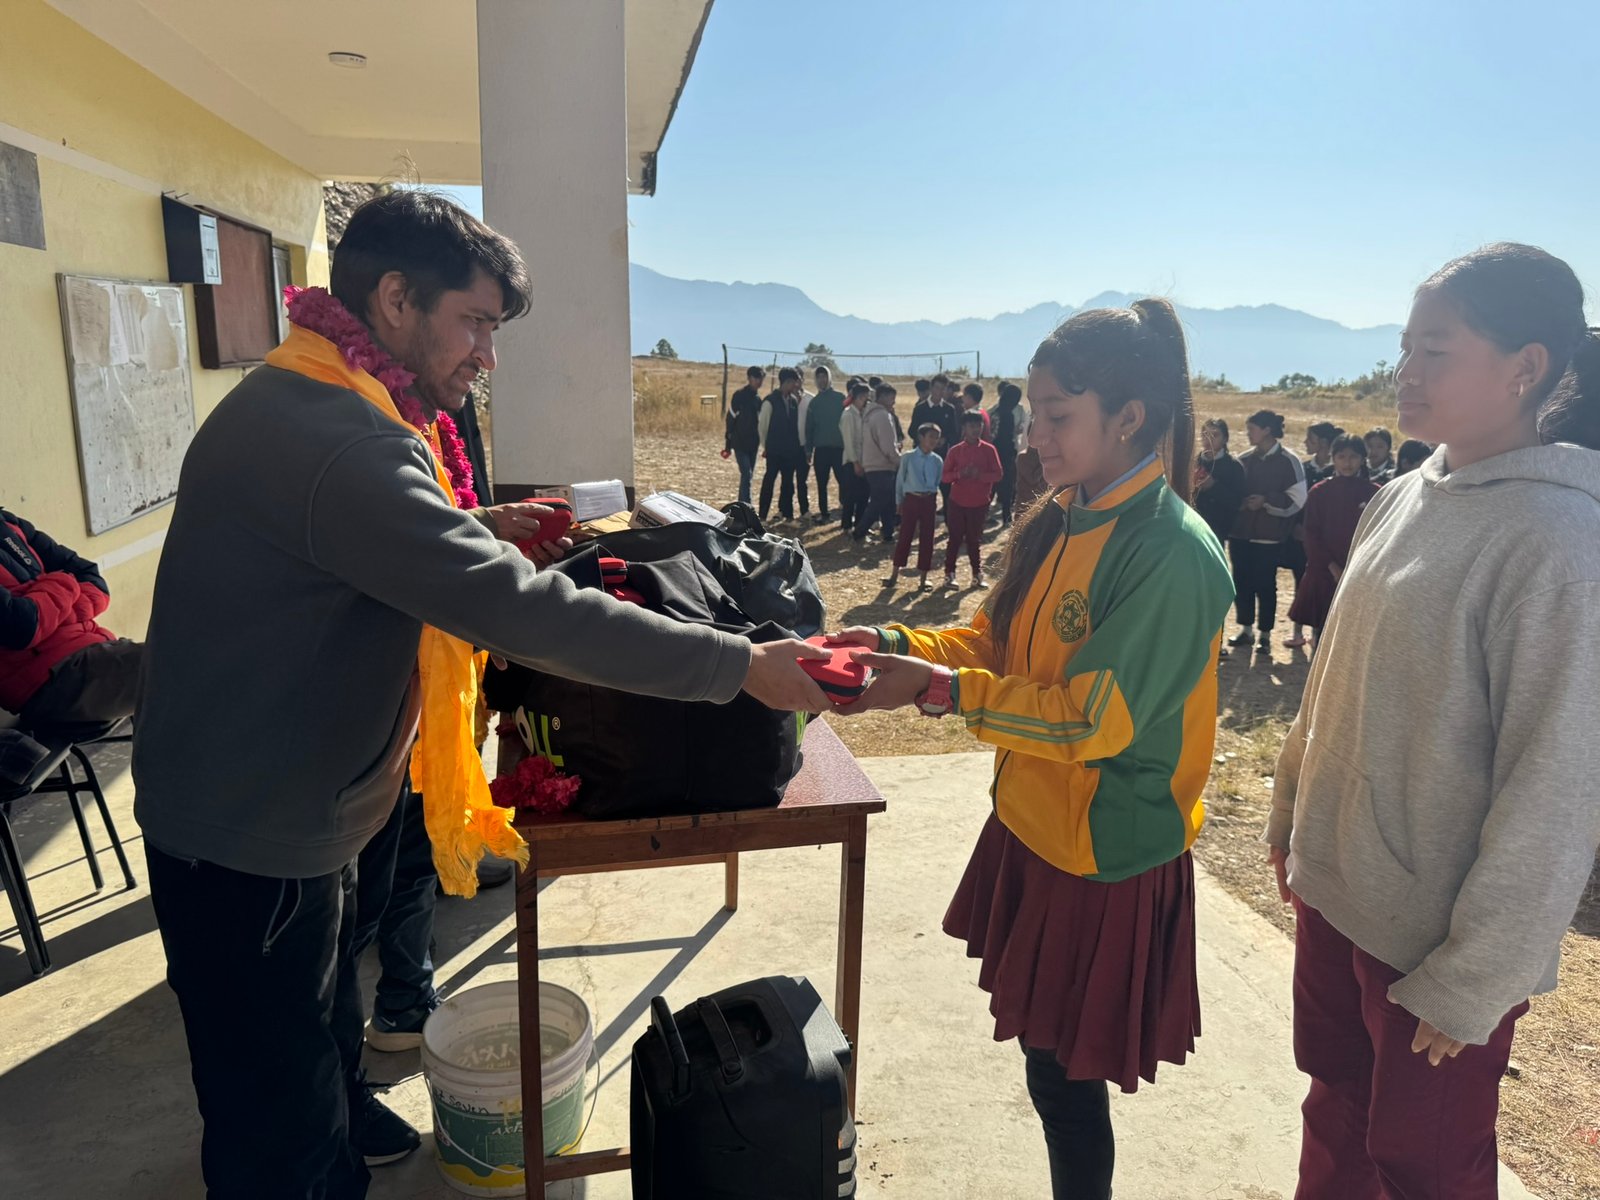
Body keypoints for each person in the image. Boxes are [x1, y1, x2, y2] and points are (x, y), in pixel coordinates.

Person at [131, 190, 830, 1199]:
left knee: (313, 1041)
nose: (485, 355)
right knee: (269, 1123)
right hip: (251, 835)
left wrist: (481, 531)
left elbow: (361, 556)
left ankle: (332, 1130)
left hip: (278, 813)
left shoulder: (314, 395)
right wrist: (737, 666)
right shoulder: (346, 442)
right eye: (475, 323)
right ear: (395, 298)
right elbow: (526, 615)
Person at [828, 298, 1234, 1200]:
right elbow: (993, 645)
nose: (1035, 436)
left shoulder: (1172, 554)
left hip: (1102, 849)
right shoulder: (1064, 516)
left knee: (1065, 1082)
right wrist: (893, 648)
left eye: (1058, 417)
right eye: (1032, 413)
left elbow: (1091, 723)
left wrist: (936, 692)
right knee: (1049, 1070)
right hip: (1034, 822)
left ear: (1128, 418)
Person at [1267, 242, 1600, 1200]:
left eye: (1435, 352)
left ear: (1526, 368)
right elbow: (1334, 679)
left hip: (1435, 947)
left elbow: (1559, 784)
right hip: (1339, 895)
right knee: (1334, 1116)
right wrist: (1293, 820)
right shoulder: (1402, 495)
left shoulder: (1560, 541)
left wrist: (1478, 975)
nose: (1402, 374)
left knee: (1425, 1169)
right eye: (1402, 348)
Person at [0, 509, 142, 730]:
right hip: (50, 682)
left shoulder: (8, 523)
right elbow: (22, 626)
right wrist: (64, 581)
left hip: (93, 652)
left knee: (192, 663)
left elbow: (93, 579)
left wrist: (41, 601)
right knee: (186, 665)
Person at [1284, 434, 1377, 649]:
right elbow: (1311, 534)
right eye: (1341, 456)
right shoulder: (1320, 492)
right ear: (1332, 459)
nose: (1347, 463)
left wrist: (1356, 567)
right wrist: (1332, 567)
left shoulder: (1374, 493)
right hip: (1324, 570)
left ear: (1363, 459)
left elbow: (1377, 535)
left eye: (1353, 457)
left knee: (1353, 631)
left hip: (1359, 571)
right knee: (1322, 631)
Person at [1226, 410, 1307, 654]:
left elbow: (1298, 498)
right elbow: (1230, 492)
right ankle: (1246, 629)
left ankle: (1265, 634)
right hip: (1240, 533)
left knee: (1265, 584)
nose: (1247, 434)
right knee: (1241, 582)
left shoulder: (1289, 461)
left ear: (1267, 430)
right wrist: (1241, 503)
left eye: (1251, 429)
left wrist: (1266, 501)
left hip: (1269, 535)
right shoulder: (1243, 459)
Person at [1283, 421, 1343, 650]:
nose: (1306, 443)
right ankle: (1297, 631)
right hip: (1302, 537)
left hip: (1327, 541)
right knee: (1302, 582)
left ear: (1325, 443)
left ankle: (1322, 635)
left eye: (1311, 439)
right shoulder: (1304, 468)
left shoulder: (1335, 471)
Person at [941, 411, 1004, 589]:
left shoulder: (989, 450)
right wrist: (960, 474)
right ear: (964, 428)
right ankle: (949, 574)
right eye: (971, 426)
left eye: (979, 425)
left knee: (974, 540)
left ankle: (977, 575)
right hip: (957, 502)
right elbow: (945, 477)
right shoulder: (955, 450)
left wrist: (980, 475)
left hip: (979, 503)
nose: (976, 429)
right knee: (954, 538)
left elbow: (998, 474)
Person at [885, 424, 944, 591]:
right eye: (931, 436)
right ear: (921, 437)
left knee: (928, 538)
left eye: (936, 437)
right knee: (905, 535)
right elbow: (900, 481)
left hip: (929, 500)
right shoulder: (908, 457)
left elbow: (938, 480)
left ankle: (923, 578)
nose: (934, 440)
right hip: (911, 499)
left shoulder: (937, 460)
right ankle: (895, 573)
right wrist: (899, 502)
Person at [757, 367, 809, 524]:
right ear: (786, 382)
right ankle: (762, 516)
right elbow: (763, 427)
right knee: (769, 482)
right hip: (774, 450)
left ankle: (788, 516)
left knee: (788, 484)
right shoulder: (769, 401)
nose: (796, 385)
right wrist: (766, 446)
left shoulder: (793, 401)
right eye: (794, 382)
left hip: (790, 451)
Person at [854, 382, 903, 544]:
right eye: (891, 398)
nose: (893, 402)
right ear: (882, 397)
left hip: (871, 464)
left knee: (886, 501)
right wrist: (898, 461)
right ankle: (860, 531)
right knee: (879, 501)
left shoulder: (868, 415)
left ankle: (888, 532)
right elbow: (888, 445)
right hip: (882, 465)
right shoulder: (882, 416)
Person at [1192, 418, 1246, 543]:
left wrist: (1213, 486)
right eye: (1205, 435)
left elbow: (1237, 502)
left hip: (1218, 530)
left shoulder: (1234, 466)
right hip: (1193, 526)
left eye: (1215, 435)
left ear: (1225, 439)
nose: (1208, 439)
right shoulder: (1193, 462)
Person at [806, 366, 847, 524]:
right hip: (821, 449)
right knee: (821, 483)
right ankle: (824, 513)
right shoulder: (814, 403)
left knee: (843, 481)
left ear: (829, 378)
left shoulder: (840, 398)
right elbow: (809, 429)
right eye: (819, 377)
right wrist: (808, 450)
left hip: (839, 448)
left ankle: (845, 509)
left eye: (825, 377)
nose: (822, 380)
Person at [721, 365, 765, 505]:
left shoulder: (758, 400)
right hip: (739, 443)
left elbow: (761, 424)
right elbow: (730, 420)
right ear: (749, 378)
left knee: (749, 475)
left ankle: (743, 506)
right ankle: (747, 506)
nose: (759, 381)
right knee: (746, 473)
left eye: (761, 378)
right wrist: (728, 445)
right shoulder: (739, 396)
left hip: (753, 444)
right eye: (756, 378)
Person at [989, 382, 1027, 526]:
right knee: (1007, 485)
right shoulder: (1007, 415)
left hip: (994, 452)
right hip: (1005, 454)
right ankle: (1006, 515)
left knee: (993, 485)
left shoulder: (996, 412)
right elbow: (1004, 436)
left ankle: (986, 513)